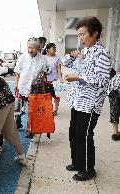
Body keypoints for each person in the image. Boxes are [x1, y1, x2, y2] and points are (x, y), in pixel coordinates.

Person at [62, 16, 112, 181]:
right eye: (79, 35)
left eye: (83, 34)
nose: (80, 38)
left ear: (95, 33)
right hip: (77, 100)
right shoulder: (84, 52)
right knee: (74, 133)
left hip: (90, 103)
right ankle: (77, 162)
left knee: (84, 134)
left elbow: (102, 80)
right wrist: (72, 57)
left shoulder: (102, 54)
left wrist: (77, 78)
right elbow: (66, 63)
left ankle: (88, 169)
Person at [14, 37, 47, 136]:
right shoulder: (22, 57)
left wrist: (42, 75)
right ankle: (17, 123)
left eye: (33, 48)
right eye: (29, 48)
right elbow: (17, 72)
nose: (30, 50)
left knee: (32, 109)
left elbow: (43, 71)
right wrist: (16, 84)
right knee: (18, 107)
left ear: (37, 48)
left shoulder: (42, 58)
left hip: (34, 87)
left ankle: (30, 129)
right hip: (21, 85)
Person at [43, 43, 63, 116]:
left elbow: (59, 69)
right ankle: (48, 109)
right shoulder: (43, 57)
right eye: (53, 48)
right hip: (45, 80)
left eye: (55, 48)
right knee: (47, 96)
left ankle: (55, 110)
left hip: (55, 80)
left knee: (56, 96)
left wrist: (60, 79)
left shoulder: (57, 58)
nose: (54, 49)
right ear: (47, 49)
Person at [107, 70, 120, 141]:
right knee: (115, 112)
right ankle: (116, 134)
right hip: (116, 93)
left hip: (111, 93)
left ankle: (116, 133)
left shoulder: (117, 74)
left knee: (114, 113)